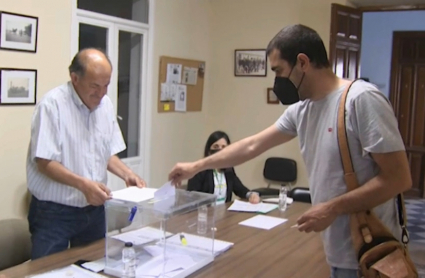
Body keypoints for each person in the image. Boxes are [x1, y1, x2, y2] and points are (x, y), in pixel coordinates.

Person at [168, 25, 411, 278]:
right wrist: (196, 166)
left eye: (278, 71)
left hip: (370, 253)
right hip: (337, 252)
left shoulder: (360, 100)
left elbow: (398, 178)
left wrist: (332, 208)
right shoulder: (302, 110)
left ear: (302, 62)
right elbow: (251, 146)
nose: (277, 81)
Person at [26, 48, 146, 260]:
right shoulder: (52, 105)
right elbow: (45, 162)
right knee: (48, 272)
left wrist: (127, 173)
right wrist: (84, 185)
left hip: (94, 210)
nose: (101, 93)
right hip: (54, 213)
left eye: (106, 85)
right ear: (75, 78)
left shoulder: (105, 105)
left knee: (95, 267)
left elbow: (106, 153)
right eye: (95, 86)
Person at [187, 131, 260, 205]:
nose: (220, 151)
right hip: (205, 213)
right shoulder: (199, 170)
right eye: (216, 147)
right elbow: (192, 198)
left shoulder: (229, 170)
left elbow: (240, 189)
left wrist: (251, 195)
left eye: (223, 147)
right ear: (209, 151)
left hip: (224, 213)